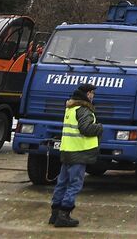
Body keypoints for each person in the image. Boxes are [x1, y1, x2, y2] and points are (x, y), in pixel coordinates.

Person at [50, 84, 103, 228]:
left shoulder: (71, 108)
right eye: (92, 93)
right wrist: (100, 128)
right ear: (87, 94)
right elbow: (86, 129)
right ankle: (64, 215)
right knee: (74, 185)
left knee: (62, 183)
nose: (93, 95)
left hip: (67, 151)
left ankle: (55, 214)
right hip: (79, 153)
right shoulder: (83, 110)